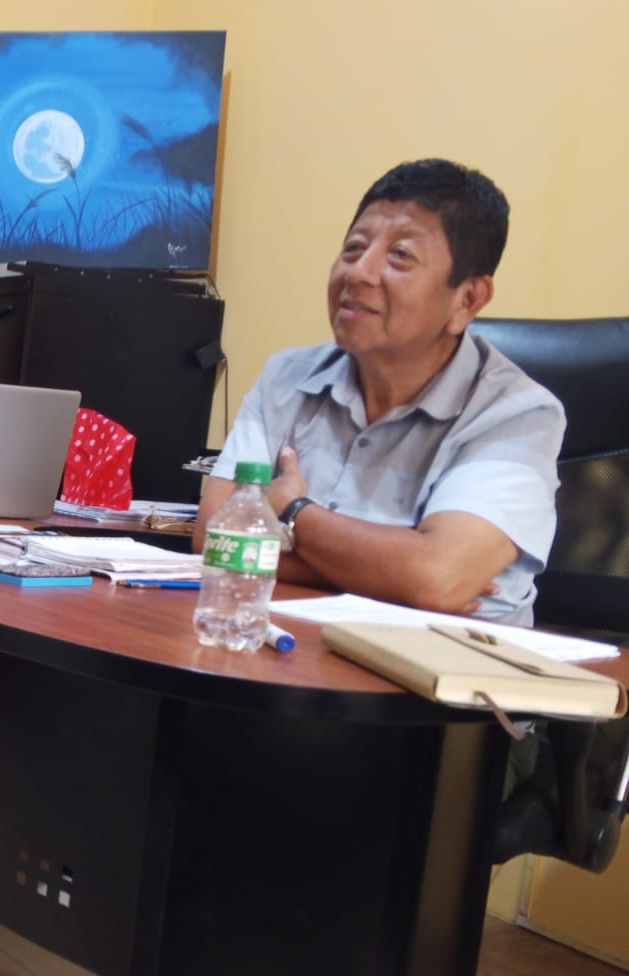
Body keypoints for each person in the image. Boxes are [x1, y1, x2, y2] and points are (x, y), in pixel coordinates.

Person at [196, 159, 564, 626]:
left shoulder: (520, 414)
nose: (360, 273)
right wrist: (398, 577)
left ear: (467, 299)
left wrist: (291, 510)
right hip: (292, 648)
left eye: (400, 256)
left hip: (440, 668)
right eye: (354, 248)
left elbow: (437, 577)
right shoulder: (286, 376)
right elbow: (214, 537)